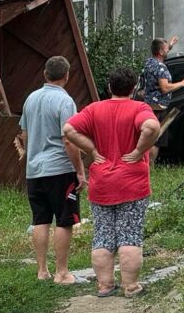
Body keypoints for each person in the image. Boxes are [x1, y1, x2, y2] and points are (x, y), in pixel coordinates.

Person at [63, 67, 161, 298]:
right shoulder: (139, 108)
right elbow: (152, 127)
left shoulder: (94, 109)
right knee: (129, 235)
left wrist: (92, 150)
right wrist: (139, 151)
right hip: (132, 182)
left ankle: (105, 286)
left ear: (109, 87)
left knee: (103, 235)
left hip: (101, 183)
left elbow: (68, 129)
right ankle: (131, 286)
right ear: (134, 88)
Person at [15, 55, 84, 285]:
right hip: (60, 169)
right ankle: (62, 272)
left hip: (34, 171)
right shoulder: (65, 102)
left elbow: (23, 134)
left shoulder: (30, 99)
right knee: (64, 220)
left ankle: (42, 271)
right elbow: (69, 140)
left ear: (45, 74)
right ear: (67, 75)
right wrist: (80, 170)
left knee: (40, 219)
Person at [140, 35, 184, 158]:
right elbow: (165, 88)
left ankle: (146, 166)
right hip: (159, 108)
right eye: (166, 49)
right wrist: (183, 83)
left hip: (149, 105)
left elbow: (161, 52)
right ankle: (150, 168)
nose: (168, 50)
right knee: (156, 140)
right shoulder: (161, 67)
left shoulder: (149, 62)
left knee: (149, 136)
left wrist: (171, 44)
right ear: (160, 52)